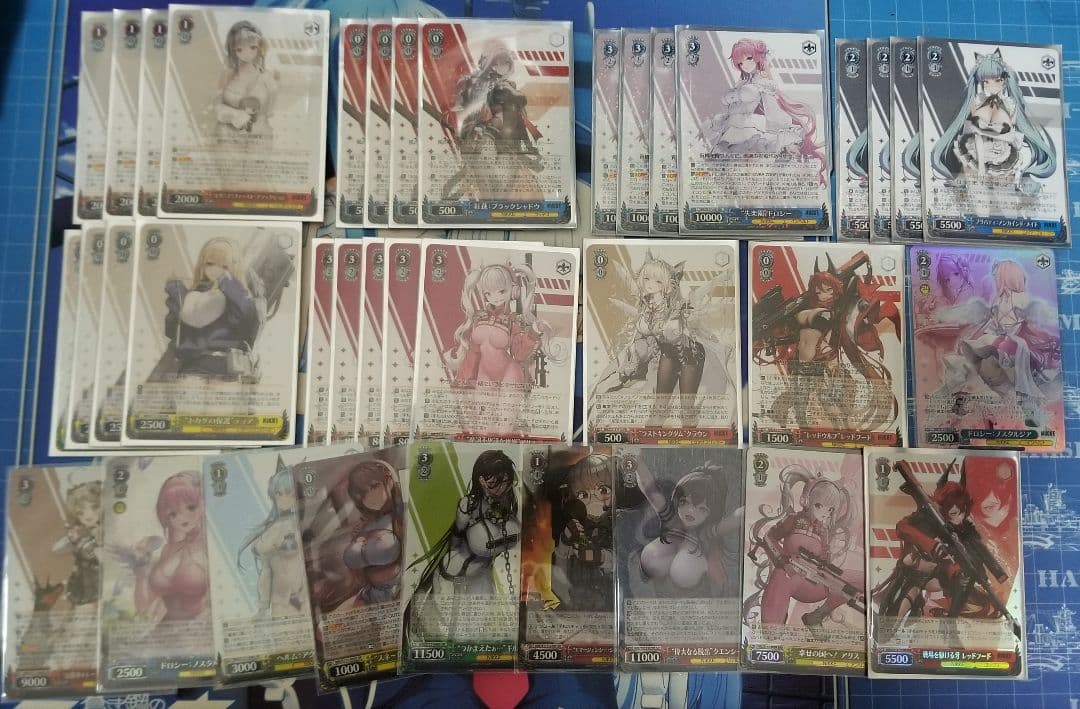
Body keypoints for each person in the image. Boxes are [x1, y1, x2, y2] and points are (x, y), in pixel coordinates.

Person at [590, 251, 734, 429]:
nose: (650, 285)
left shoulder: (678, 306)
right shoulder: (645, 307)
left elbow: (701, 292)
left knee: (686, 403)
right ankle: (660, 416)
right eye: (647, 279)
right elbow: (639, 322)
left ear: (668, 285)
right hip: (668, 353)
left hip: (690, 353)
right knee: (660, 401)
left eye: (658, 281)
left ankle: (687, 416)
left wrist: (722, 277)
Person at [406, 450, 521, 640]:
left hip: (481, 575)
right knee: (448, 631)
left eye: (505, 482)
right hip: (453, 574)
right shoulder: (469, 505)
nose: (501, 488)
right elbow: (456, 540)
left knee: (475, 631)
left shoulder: (506, 505)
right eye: (495, 483)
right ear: (481, 480)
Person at [745, 466, 861, 634]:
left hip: (815, 581)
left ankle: (817, 616)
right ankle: (774, 624)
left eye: (830, 510)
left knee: (853, 581)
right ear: (807, 501)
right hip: (789, 573)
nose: (825, 513)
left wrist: (826, 568)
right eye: (820, 506)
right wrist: (782, 560)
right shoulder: (794, 520)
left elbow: (824, 558)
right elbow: (770, 537)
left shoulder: (824, 531)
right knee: (771, 629)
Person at [929, 48, 1056, 194]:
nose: (991, 85)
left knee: (1005, 187)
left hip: (1003, 151)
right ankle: (963, 181)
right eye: (986, 82)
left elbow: (1010, 136)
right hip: (978, 150)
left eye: (997, 80)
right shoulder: (977, 102)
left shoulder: (1010, 104)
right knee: (974, 183)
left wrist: (987, 133)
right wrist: (981, 165)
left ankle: (1019, 183)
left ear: (1004, 81)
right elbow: (974, 134)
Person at [705, 37, 826, 183]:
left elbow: (765, 104)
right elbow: (732, 102)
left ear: (757, 57)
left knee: (739, 160)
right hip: (735, 126)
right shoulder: (744, 82)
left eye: (749, 58)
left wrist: (734, 96)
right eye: (740, 63)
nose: (745, 65)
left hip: (748, 128)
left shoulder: (762, 83)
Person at [441, 48, 543, 201]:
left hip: (502, 142)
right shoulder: (471, 84)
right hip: (477, 140)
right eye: (496, 63)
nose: (498, 67)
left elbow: (517, 109)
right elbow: (458, 110)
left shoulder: (507, 88)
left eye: (504, 63)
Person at [631, 456, 741, 596]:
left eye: (701, 508)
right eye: (684, 502)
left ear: (711, 513)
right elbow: (649, 488)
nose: (690, 511)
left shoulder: (706, 532)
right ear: (677, 501)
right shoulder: (670, 518)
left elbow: (736, 519)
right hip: (650, 595)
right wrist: (635, 458)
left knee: (687, 563)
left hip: (691, 600)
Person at [306, 459, 403, 613]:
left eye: (374, 486)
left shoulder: (401, 517)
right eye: (362, 495)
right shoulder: (366, 525)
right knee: (326, 624)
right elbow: (352, 561)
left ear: (388, 479)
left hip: (397, 592)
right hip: (370, 594)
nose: (370, 498)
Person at [161, 237, 264, 381]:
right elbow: (172, 329)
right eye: (210, 263)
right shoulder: (192, 295)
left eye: (224, 266)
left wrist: (227, 283)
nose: (216, 269)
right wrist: (176, 292)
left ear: (235, 267)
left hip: (227, 369)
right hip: (194, 369)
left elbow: (247, 321)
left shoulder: (239, 296)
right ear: (202, 265)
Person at [131, 472, 210, 625]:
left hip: (201, 630)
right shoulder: (168, 549)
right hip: (165, 631)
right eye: (173, 514)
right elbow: (142, 607)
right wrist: (141, 567)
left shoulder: (211, 547)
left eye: (191, 507)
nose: (182, 517)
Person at [236, 463, 307, 616]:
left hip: (305, 598)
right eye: (278, 493)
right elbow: (266, 571)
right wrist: (263, 606)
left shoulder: (304, 525)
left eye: (289, 493)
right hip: (281, 601)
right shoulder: (273, 530)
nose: (283, 499)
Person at [215, 20, 277, 138]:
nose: (247, 54)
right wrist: (234, 115)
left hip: (259, 135)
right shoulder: (227, 74)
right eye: (239, 49)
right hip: (228, 135)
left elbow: (271, 110)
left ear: (260, 48)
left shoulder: (266, 77)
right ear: (233, 50)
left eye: (253, 47)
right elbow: (216, 104)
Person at [52, 480, 103, 608]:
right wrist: (71, 538)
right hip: (83, 584)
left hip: (103, 582)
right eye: (81, 512)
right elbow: (56, 550)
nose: (88, 515)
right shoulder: (80, 533)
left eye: (94, 507)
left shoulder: (107, 531)